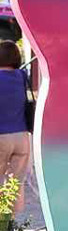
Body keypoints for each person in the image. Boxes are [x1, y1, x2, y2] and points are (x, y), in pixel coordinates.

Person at [0, 41, 29, 213]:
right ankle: (14, 222)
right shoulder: (22, 76)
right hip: (21, 136)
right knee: (16, 182)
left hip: (1, 136)